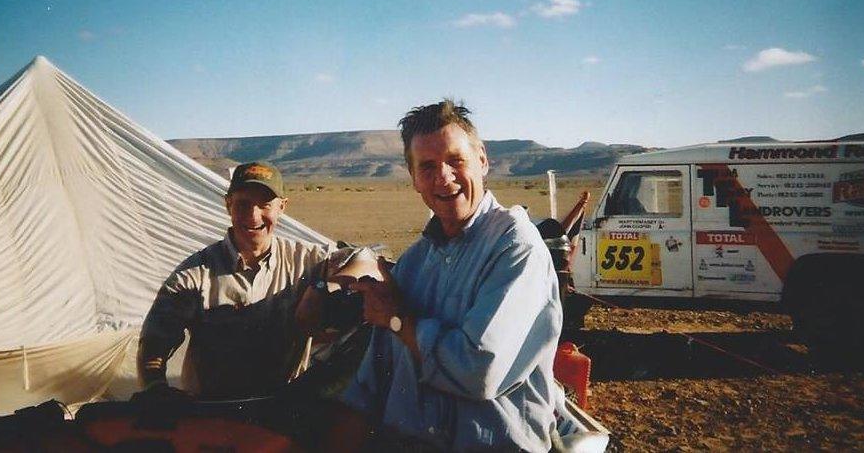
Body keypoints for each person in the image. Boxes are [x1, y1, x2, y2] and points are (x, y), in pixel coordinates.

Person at [333, 100, 563, 451]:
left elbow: (479, 371)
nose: (443, 177)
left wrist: (398, 319)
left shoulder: (515, 246)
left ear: (482, 160)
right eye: (427, 166)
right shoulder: (414, 262)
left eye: (456, 160)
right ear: (413, 179)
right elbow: (370, 385)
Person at [137, 161, 372, 399]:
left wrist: (322, 287)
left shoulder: (307, 259)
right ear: (228, 205)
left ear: (282, 207)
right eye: (243, 204)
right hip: (213, 410)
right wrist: (155, 388)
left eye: (265, 205)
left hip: (281, 408)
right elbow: (154, 342)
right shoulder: (195, 274)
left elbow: (365, 257)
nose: (253, 215)